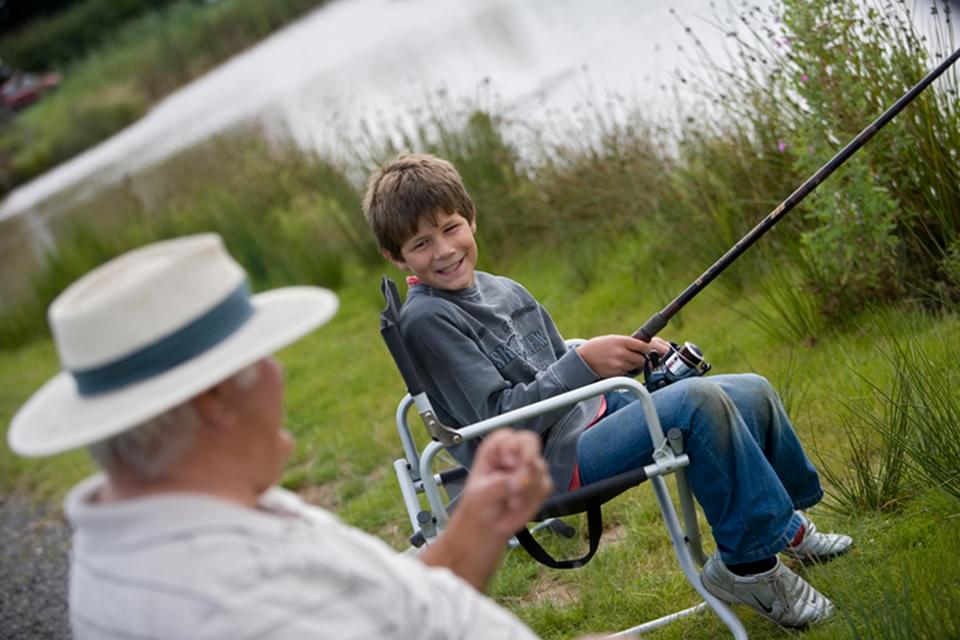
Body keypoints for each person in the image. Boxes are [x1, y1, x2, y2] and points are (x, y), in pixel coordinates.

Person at [361, 153, 854, 630]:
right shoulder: (428, 319)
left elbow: (558, 368)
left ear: (471, 219)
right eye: (422, 244)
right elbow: (502, 423)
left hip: (587, 419)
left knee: (751, 390)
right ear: (396, 255)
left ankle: (785, 527)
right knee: (697, 404)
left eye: (450, 229)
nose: (444, 251)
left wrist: (631, 354)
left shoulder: (503, 288)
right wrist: (584, 362)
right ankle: (749, 572)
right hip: (538, 464)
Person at [6, 233, 556, 639]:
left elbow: (394, 609)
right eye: (260, 356)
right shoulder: (220, 601)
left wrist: (477, 526)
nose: (278, 372)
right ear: (215, 400)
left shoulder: (182, 509)